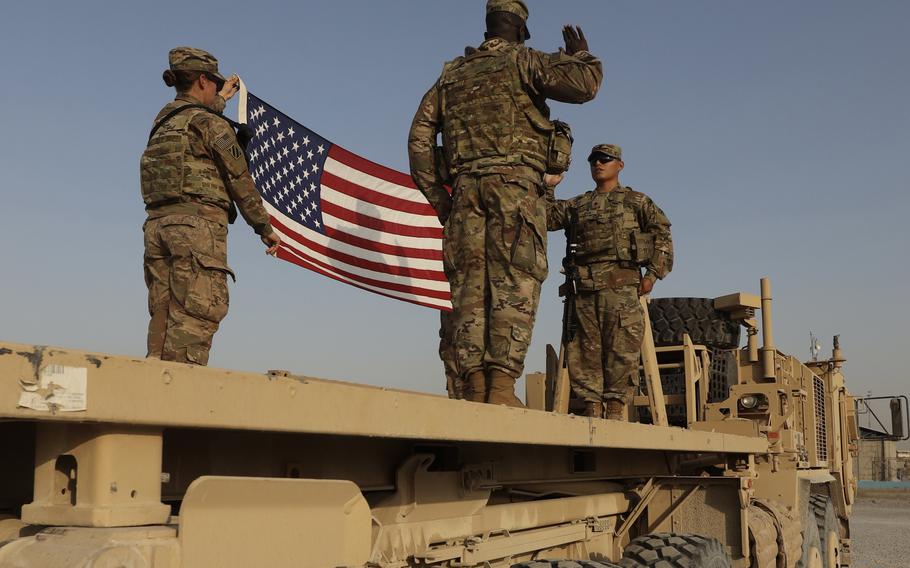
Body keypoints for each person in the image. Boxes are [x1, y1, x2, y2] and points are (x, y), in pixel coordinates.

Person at [408, 0, 603, 406]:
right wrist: (582, 55)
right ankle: (500, 388)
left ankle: (476, 386)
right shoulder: (525, 61)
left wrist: (439, 200)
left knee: (469, 290)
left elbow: (420, 139)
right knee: (514, 283)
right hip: (514, 189)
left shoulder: (449, 77)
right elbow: (585, 86)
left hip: (464, 194)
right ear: (518, 30)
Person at [141, 47, 281, 366]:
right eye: (215, 85)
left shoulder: (163, 121)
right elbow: (239, 179)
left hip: (158, 229)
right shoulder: (211, 125)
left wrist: (222, 100)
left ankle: (152, 389)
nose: (218, 90)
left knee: (163, 316)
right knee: (195, 316)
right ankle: (177, 396)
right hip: (198, 230)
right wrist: (264, 229)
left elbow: (191, 114)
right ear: (203, 80)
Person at [545, 144, 673, 419]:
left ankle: (615, 409)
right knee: (582, 351)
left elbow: (662, 235)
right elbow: (547, 217)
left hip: (621, 288)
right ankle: (592, 408)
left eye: (605, 159)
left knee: (622, 349)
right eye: (593, 160)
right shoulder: (578, 204)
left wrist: (652, 274)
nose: (598, 164)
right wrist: (549, 187)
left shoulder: (637, 201)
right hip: (584, 289)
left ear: (619, 165)